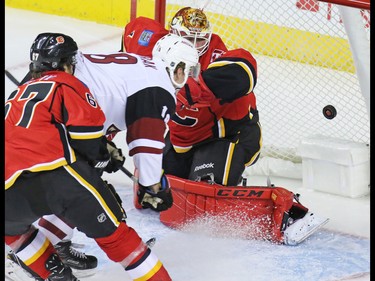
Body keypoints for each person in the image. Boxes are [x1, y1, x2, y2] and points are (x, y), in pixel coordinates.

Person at [122, 7, 329, 245]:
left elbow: (244, 69)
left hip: (231, 136)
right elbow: (133, 33)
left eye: (200, 40)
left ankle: (281, 208)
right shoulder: (154, 46)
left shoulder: (215, 60)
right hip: (184, 137)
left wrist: (195, 87)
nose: (194, 45)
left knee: (203, 202)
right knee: (153, 187)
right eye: (188, 39)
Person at [5, 32, 199, 281]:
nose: (187, 78)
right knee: (86, 191)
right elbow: (146, 144)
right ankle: (27, 259)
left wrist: (101, 153)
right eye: (186, 70)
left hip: (24, 131)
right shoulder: (157, 84)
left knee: (78, 181)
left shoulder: (134, 65)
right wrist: (152, 185)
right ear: (175, 66)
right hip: (59, 126)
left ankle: (47, 252)